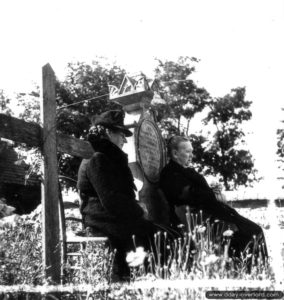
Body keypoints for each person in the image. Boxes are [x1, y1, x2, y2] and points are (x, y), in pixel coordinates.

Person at [77, 110, 178, 281]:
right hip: (102, 220)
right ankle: (149, 281)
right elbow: (111, 200)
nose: (124, 140)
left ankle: (158, 279)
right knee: (162, 236)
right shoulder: (98, 158)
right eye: (121, 134)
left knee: (167, 233)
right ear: (108, 133)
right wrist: (138, 209)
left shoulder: (107, 157)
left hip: (113, 218)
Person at [159, 135, 268, 262]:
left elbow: (198, 193)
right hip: (198, 220)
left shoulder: (187, 171)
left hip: (210, 214)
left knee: (255, 230)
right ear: (175, 153)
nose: (191, 155)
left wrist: (213, 192)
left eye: (192, 152)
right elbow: (188, 196)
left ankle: (255, 269)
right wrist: (212, 194)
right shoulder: (170, 173)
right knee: (249, 232)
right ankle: (242, 268)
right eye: (188, 152)